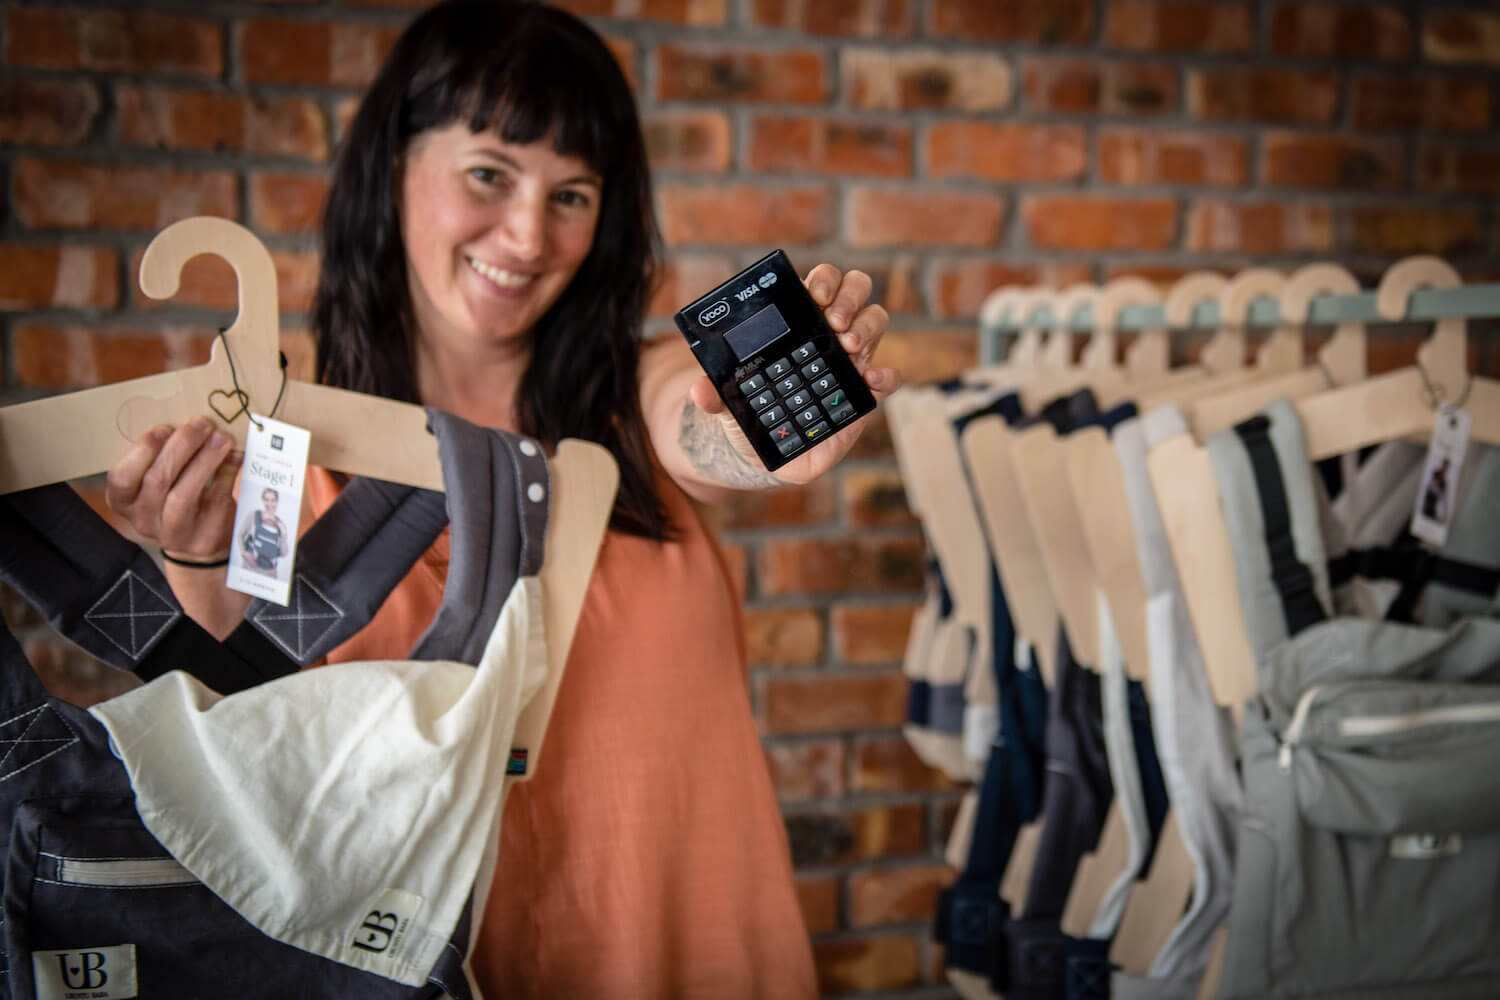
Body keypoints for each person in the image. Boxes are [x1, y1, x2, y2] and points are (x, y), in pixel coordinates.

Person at [103, 1, 899, 995]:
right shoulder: (276, 448)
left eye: (573, 194)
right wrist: (186, 555)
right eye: (490, 173)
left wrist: (767, 440)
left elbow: (704, 433)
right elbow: (241, 739)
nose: (528, 234)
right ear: (394, 167)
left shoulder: (631, 398)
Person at [239, 486, 288, 575]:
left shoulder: (280, 524)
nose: (269, 504)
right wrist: (244, 552)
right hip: (249, 569)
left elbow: (283, 554)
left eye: (273, 500)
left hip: (269, 574)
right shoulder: (253, 516)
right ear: (263, 500)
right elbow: (240, 535)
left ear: (277, 502)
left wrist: (284, 534)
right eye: (266, 500)